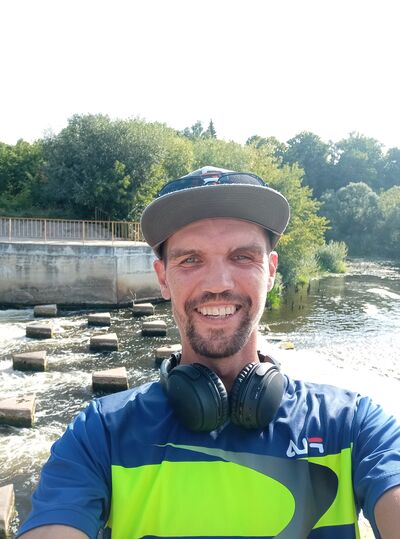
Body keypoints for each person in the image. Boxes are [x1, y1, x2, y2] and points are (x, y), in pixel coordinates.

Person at [18, 166, 400, 539]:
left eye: (242, 257)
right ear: (163, 277)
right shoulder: (100, 434)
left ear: (270, 271)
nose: (218, 283)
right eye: (191, 260)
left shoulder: (352, 426)